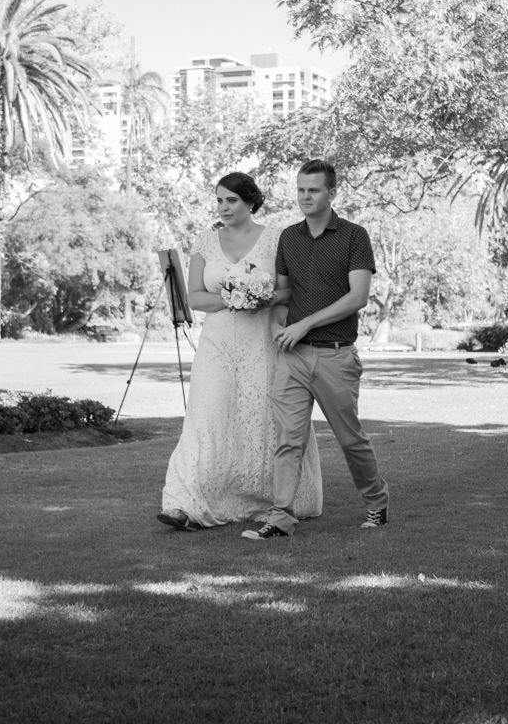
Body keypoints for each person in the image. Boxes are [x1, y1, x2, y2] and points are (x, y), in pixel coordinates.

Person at [157, 172, 323, 530]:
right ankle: (183, 503)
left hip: (262, 341)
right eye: (218, 200)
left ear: (250, 201)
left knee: (262, 416)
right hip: (217, 342)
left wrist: (258, 295)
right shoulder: (205, 240)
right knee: (207, 413)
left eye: (230, 200)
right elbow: (196, 297)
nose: (223, 207)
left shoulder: (276, 239)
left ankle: (273, 499)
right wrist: (233, 297)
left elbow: (290, 290)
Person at [243, 159, 389, 540]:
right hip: (292, 357)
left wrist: (305, 323)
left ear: (332, 193)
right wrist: (277, 320)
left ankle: (377, 504)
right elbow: (285, 292)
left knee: (350, 439)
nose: (305, 197)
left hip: (336, 356)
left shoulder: (355, 236)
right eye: (301, 190)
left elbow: (357, 297)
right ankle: (280, 517)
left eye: (314, 190)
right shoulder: (289, 238)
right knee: (289, 440)